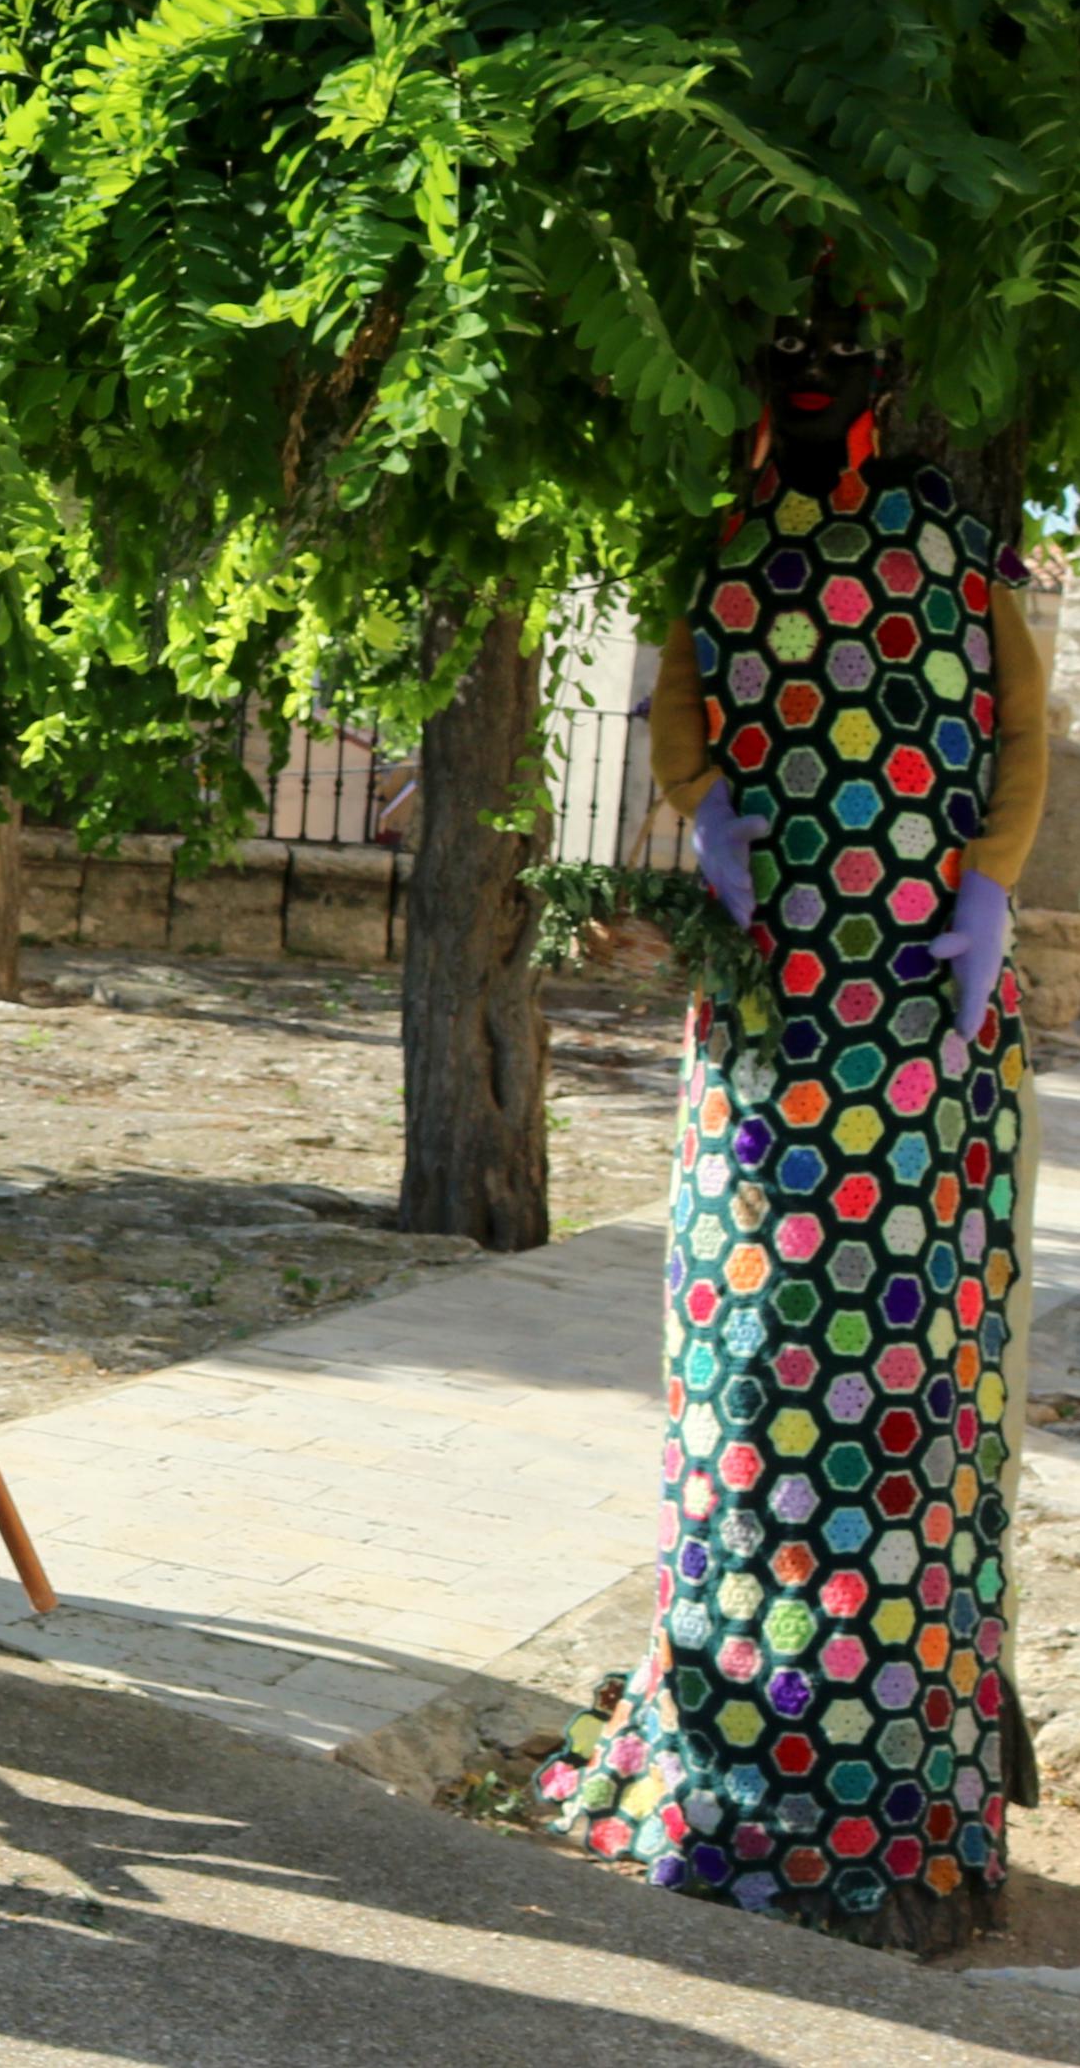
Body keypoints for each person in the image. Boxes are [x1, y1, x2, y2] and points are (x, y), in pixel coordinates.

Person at [540, 294, 1044, 1955]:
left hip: (922, 1038)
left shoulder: (954, 553)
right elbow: (680, 713)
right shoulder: (733, 553)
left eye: (841, 378)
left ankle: (901, 1763)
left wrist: (978, 886)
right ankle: (755, 1728)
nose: (818, 398)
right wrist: (711, 819)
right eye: (795, 377)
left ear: (886, 397)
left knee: (911, 1381)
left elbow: (1021, 728)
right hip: (775, 1032)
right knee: (756, 1357)